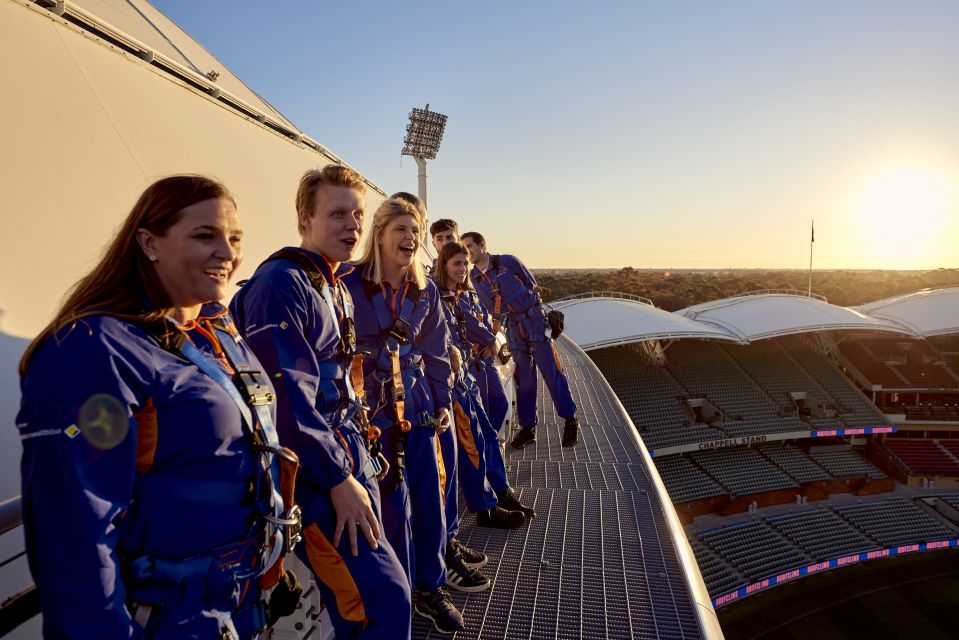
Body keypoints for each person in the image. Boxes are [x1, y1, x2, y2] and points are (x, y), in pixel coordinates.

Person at [18, 176, 297, 639]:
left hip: (234, 601)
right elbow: (74, 539)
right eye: (204, 236)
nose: (227, 253)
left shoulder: (214, 331)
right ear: (148, 242)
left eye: (235, 238)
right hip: (165, 618)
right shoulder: (94, 351)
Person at [230, 166, 411, 639]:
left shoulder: (330, 283)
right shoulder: (281, 285)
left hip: (348, 457)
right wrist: (335, 478)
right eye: (336, 214)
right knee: (379, 603)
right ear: (304, 218)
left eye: (356, 214)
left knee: (380, 594)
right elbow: (282, 401)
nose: (351, 225)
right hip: (317, 477)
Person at [342, 197, 466, 634]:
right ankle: (402, 588)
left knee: (430, 498)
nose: (411, 239)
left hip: (417, 407)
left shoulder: (425, 291)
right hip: (370, 413)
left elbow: (435, 353)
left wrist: (441, 405)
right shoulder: (347, 285)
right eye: (402, 230)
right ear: (379, 234)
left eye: (415, 232)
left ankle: (431, 587)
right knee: (391, 506)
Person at [460, 231, 580, 449]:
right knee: (523, 379)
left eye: (470, 246)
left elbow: (530, 282)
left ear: (482, 245)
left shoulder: (507, 261)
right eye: (464, 247)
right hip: (514, 327)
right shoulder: (475, 278)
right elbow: (489, 308)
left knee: (551, 371)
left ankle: (570, 419)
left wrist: (527, 307)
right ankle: (528, 428)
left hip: (534, 320)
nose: (467, 251)